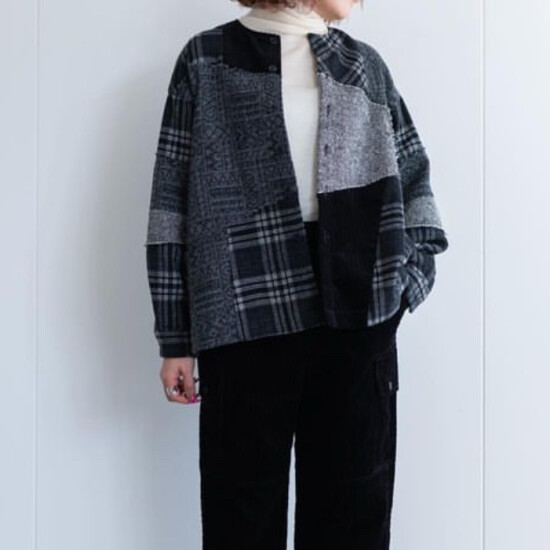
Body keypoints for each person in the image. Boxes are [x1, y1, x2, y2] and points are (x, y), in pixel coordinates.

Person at [144, 0, 449, 548]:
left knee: (352, 522)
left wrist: (404, 288)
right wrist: (175, 338)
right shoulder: (206, 60)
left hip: (357, 321)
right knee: (240, 521)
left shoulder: (364, 66)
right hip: (243, 320)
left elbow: (415, 183)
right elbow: (172, 201)